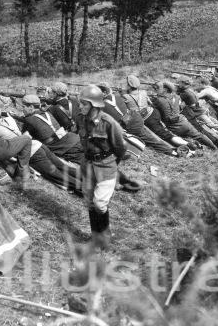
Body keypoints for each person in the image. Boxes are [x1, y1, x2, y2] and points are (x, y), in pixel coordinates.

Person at [0, 104, 82, 193]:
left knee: (55, 174)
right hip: (37, 144)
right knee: (63, 167)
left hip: (31, 153)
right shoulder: (9, 119)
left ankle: (84, 188)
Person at [75, 85, 126, 250]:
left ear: (94, 104)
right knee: (90, 202)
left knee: (100, 204)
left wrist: (112, 165)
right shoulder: (80, 119)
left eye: (84, 104)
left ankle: (105, 237)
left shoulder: (108, 122)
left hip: (106, 165)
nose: (80, 106)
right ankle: (95, 237)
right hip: (88, 164)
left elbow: (120, 147)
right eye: (80, 103)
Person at [97, 82, 179, 156]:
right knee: (151, 136)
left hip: (130, 125)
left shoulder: (102, 105)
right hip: (135, 118)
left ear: (104, 92)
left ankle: (172, 152)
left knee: (151, 140)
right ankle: (171, 148)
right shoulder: (116, 96)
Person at [123, 75, 195, 152]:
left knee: (158, 136)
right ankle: (185, 143)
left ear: (129, 85)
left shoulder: (125, 96)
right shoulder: (143, 92)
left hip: (145, 118)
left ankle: (178, 147)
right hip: (153, 112)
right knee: (164, 131)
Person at [151, 81, 218, 150]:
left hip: (172, 125)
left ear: (165, 89)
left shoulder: (159, 100)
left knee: (176, 138)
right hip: (183, 121)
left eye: (157, 88)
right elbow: (181, 106)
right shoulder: (176, 97)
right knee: (198, 135)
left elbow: (154, 110)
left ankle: (193, 147)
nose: (156, 90)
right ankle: (213, 147)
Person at [20, 94, 85, 165]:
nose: (22, 110)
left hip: (67, 149)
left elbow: (22, 139)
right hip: (74, 140)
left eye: (23, 107)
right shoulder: (48, 113)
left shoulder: (29, 120)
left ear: (31, 107)